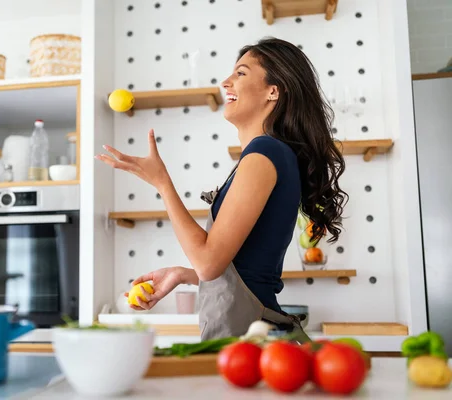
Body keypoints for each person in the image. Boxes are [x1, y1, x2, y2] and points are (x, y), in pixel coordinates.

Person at [95, 37, 348, 340]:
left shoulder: (264, 153)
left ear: (273, 91)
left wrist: (162, 183)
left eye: (240, 73)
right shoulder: (270, 154)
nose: (226, 82)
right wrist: (179, 274)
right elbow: (245, 270)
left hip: (249, 340)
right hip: (257, 334)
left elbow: (208, 264)